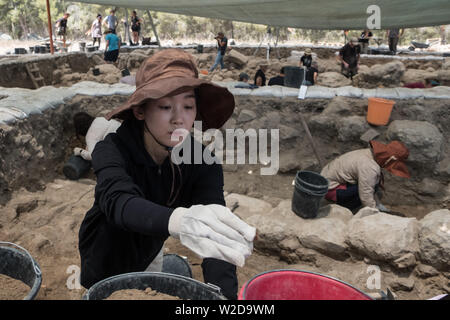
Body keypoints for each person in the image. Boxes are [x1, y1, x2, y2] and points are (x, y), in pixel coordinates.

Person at [78, 49, 256, 300]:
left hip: (151, 250)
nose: (179, 119)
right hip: (106, 255)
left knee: (149, 288)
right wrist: (178, 221)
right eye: (165, 106)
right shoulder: (112, 149)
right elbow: (118, 200)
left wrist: (223, 295)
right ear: (140, 110)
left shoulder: (201, 162)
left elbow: (213, 228)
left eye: (188, 106)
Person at [320, 140, 410, 211]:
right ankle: (345, 207)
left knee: (373, 183)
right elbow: (366, 194)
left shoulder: (369, 153)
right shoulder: (370, 167)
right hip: (330, 189)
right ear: (391, 160)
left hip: (327, 181)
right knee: (370, 187)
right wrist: (374, 213)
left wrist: (378, 204)